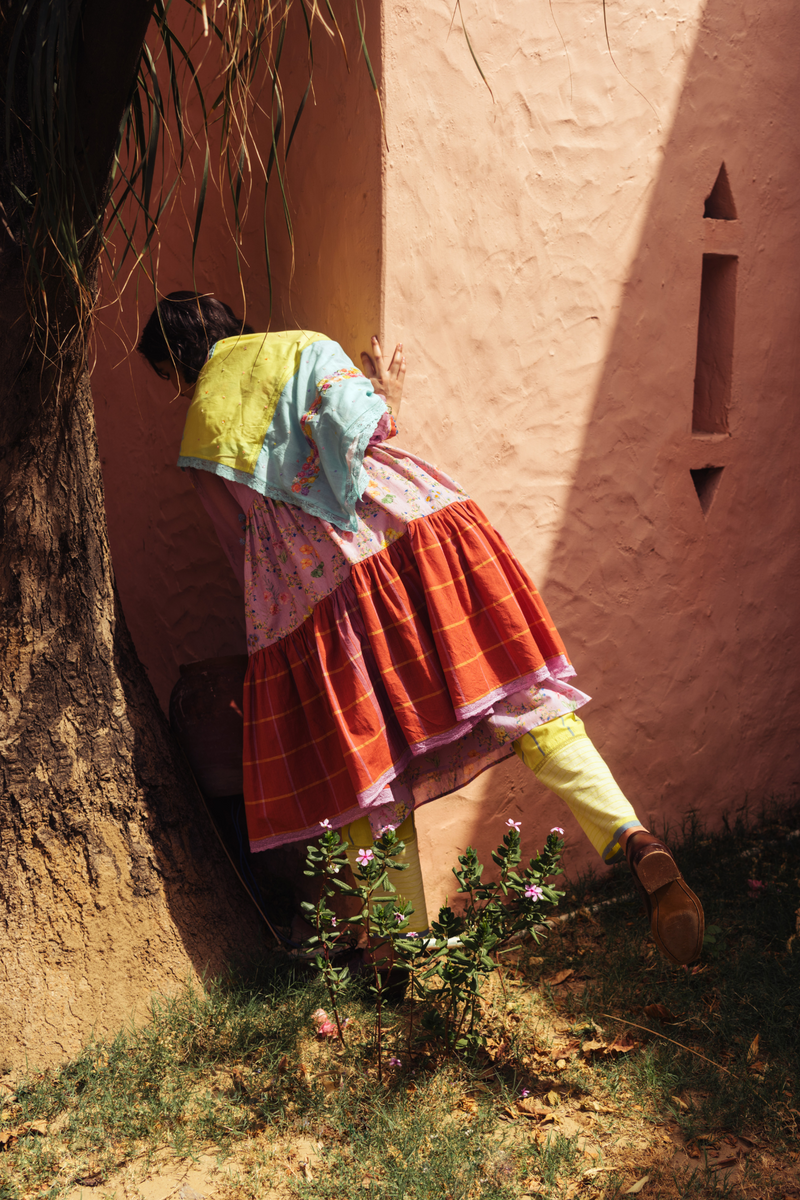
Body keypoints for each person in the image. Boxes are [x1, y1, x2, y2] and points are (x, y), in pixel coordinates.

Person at [138, 291, 705, 965]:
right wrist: (386, 394)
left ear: (178, 366)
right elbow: (363, 424)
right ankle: (632, 837)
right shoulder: (299, 346)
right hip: (415, 532)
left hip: (314, 594)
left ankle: (402, 949)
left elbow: (241, 551)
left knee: (367, 767)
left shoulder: (201, 433)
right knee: (520, 696)